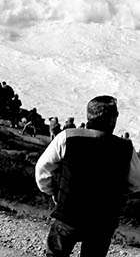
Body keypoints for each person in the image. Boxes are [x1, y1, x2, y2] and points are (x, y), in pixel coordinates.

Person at [34, 95, 140, 257]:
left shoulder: (67, 137)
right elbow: (136, 183)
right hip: (103, 220)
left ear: (88, 115)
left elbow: (42, 170)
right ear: (112, 119)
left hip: (68, 214)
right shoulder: (125, 147)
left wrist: (54, 193)